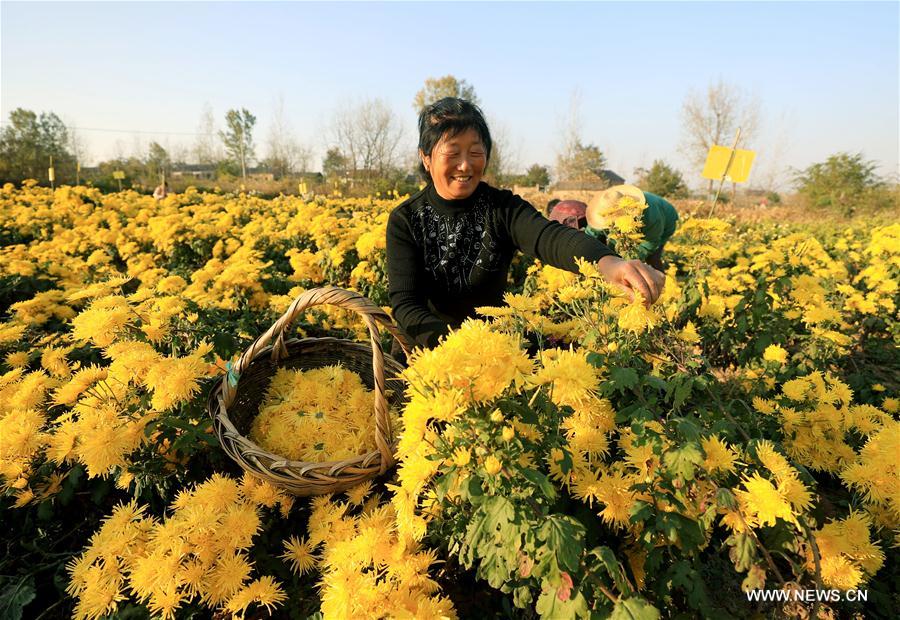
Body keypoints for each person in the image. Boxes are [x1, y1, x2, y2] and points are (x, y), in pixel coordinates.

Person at [386, 97, 666, 350]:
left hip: (497, 350)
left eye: (474, 152)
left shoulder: (502, 208)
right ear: (426, 157)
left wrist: (610, 264)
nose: (464, 165)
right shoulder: (407, 219)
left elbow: (551, 237)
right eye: (452, 153)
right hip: (427, 354)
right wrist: (456, 346)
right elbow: (406, 303)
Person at [584, 185, 679, 271]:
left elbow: (650, 244)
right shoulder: (602, 211)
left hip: (667, 219)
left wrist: (625, 262)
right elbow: (589, 235)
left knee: (652, 258)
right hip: (638, 221)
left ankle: (662, 287)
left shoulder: (651, 217)